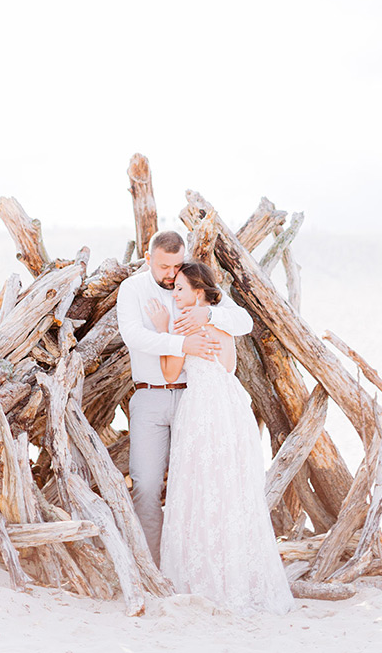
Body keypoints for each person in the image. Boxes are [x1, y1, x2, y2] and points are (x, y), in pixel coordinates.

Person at [152, 260, 295, 616]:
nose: (175, 294)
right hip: (229, 404)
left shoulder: (195, 319)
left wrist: (164, 332)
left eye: (181, 289)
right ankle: (236, 579)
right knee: (230, 489)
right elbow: (229, 365)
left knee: (200, 488)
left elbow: (169, 372)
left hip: (202, 405)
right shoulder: (218, 319)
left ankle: (203, 580)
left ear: (198, 290)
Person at [117, 230, 253, 566]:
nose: (171, 274)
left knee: (194, 485)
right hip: (150, 397)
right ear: (149, 259)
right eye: (164, 266)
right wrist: (180, 344)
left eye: (176, 265)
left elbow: (243, 320)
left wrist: (208, 316)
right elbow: (134, 336)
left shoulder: (190, 281)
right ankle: (153, 564)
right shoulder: (133, 289)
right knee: (147, 484)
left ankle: (193, 565)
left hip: (196, 400)